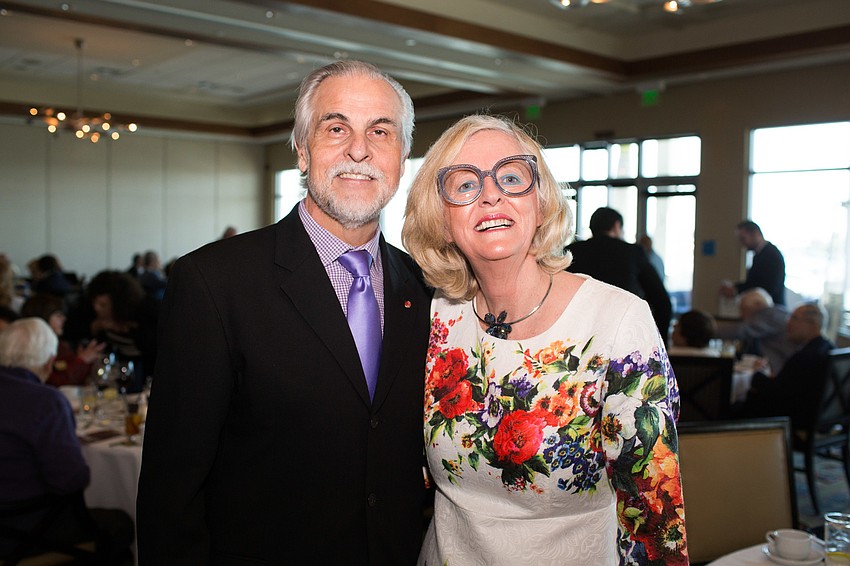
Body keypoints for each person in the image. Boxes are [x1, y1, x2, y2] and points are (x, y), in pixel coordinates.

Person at [136, 60, 432, 565]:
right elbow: (172, 490)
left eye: (379, 132)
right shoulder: (214, 282)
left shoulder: (424, 286)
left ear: (401, 159)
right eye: (336, 128)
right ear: (301, 149)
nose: (358, 150)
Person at [402, 114, 687, 565]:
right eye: (464, 185)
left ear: (541, 200)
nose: (491, 194)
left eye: (512, 177)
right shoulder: (432, 315)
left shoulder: (617, 321)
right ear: (439, 215)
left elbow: (652, 516)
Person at [0, 318, 134, 562]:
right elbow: (70, 481)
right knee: (121, 524)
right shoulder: (44, 402)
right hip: (27, 529)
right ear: (49, 362)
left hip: (12, 524)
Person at [567, 207, 673, 344]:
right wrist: (659, 344)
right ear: (617, 226)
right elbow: (662, 302)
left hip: (578, 335)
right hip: (623, 336)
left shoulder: (572, 252)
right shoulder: (632, 253)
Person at [740, 303, 833, 428]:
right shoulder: (828, 348)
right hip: (824, 419)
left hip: (797, 421)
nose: (788, 323)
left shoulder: (806, 356)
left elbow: (776, 394)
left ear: (813, 325)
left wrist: (757, 374)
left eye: (794, 318)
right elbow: (791, 386)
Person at [21, 293, 105, 387]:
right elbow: (58, 383)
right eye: (58, 315)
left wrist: (82, 359)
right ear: (43, 318)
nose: (64, 318)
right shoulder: (34, 349)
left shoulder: (57, 344)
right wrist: (82, 360)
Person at [717, 287, 793, 375]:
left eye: (743, 309)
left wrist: (707, 329)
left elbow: (740, 331)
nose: (741, 315)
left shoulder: (769, 316)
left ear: (758, 306)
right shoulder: (777, 313)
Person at [720, 220, 786, 306]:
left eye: (743, 239)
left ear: (755, 234)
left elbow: (765, 288)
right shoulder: (760, 254)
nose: (741, 244)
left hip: (771, 310)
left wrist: (736, 289)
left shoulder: (771, 255)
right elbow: (755, 282)